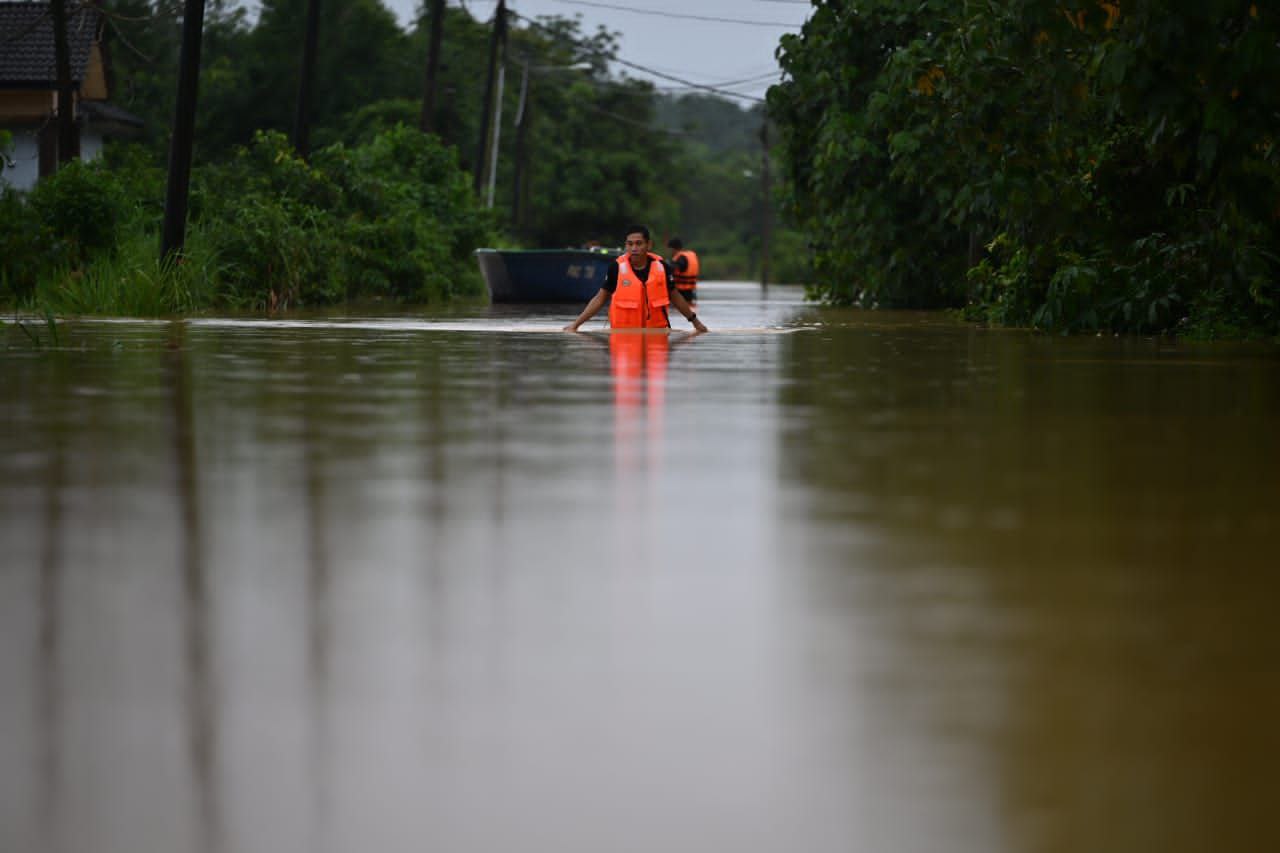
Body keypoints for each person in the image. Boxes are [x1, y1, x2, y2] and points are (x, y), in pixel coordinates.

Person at [563, 225, 708, 333]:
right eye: (630, 244)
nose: (634, 248)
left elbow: (676, 298)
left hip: (657, 334)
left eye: (639, 243)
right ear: (625, 245)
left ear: (648, 245)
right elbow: (599, 299)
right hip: (622, 336)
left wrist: (696, 323)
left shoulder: (662, 267)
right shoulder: (616, 268)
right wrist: (575, 325)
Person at [666, 237, 700, 307]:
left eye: (669, 250)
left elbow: (678, 267)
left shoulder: (681, 258)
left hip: (680, 291)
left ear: (673, 249)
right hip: (690, 291)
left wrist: (667, 265)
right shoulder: (690, 255)